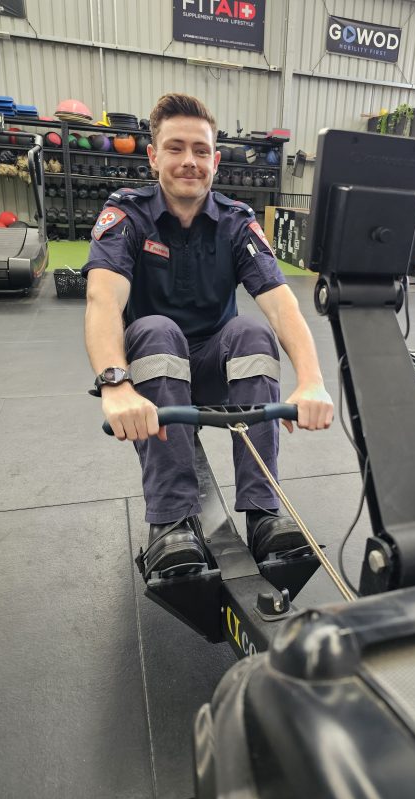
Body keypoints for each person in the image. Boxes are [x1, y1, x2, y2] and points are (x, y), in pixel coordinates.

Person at [82, 93, 333, 577]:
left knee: (251, 331)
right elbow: (103, 300)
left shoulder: (237, 222)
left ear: (215, 161)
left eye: (200, 150)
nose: (189, 162)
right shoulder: (126, 214)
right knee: (156, 329)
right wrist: (115, 385)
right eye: (175, 148)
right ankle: (171, 522)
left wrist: (312, 380)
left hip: (218, 372)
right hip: (155, 373)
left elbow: (281, 304)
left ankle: (264, 514)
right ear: (153, 156)